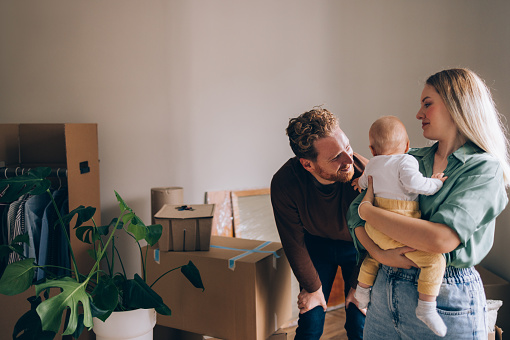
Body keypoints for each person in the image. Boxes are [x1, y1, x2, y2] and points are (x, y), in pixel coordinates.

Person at [348, 68, 510, 339]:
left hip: (445, 298)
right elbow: (354, 215)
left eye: (427, 104)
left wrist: (370, 211)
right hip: (383, 289)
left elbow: (440, 240)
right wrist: (378, 253)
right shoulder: (408, 158)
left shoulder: (483, 169)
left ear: (457, 106)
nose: (418, 114)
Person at [271, 107, 367, 339]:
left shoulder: (366, 175)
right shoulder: (285, 183)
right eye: (336, 157)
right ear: (307, 164)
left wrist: (359, 285)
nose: (348, 160)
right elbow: (293, 242)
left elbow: (377, 235)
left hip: (360, 247)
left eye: (347, 147)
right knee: (310, 321)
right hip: (316, 246)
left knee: (359, 322)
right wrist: (313, 290)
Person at [351, 115, 448, 336]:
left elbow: (365, 183)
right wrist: (436, 182)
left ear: (372, 150)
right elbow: (416, 184)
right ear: (406, 146)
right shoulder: (406, 160)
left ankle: (362, 292)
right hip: (400, 222)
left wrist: (359, 182)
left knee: (374, 256)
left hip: (374, 225)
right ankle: (426, 307)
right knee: (434, 260)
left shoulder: (373, 164)